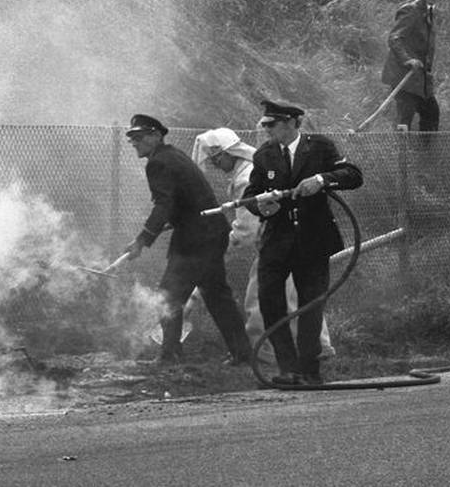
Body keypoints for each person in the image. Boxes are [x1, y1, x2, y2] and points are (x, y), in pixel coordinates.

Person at [183, 128, 334, 359]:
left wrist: (224, 242)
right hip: (291, 241)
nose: (215, 165)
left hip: (277, 245)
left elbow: (248, 228)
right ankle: (320, 348)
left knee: (259, 300)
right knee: (297, 298)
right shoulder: (251, 169)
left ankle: (263, 353)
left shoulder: (245, 178)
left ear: (226, 154)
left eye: (216, 160)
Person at [242, 101, 362, 385]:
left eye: (273, 124)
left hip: (313, 240)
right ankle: (288, 367)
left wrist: (321, 180)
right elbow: (252, 195)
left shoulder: (320, 147)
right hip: (276, 242)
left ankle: (308, 370)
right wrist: (263, 206)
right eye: (266, 125)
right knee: (270, 302)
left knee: (311, 305)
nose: (268, 130)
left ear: (294, 122)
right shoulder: (264, 155)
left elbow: (353, 175)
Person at [119, 114, 252, 366]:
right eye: (132, 139)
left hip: (196, 239)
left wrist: (142, 240)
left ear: (156, 136)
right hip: (210, 233)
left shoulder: (157, 163)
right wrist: (165, 224)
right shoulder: (173, 156)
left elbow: (163, 205)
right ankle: (242, 353)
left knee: (168, 296)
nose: (135, 143)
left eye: (139, 137)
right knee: (217, 295)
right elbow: (182, 201)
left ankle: (170, 354)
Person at [381, 0, 449, 131]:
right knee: (404, 123)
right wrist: (407, 59)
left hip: (420, 81)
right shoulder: (411, 10)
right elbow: (395, 38)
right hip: (404, 78)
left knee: (431, 115)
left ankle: (423, 155)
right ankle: (401, 156)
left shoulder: (430, 12)